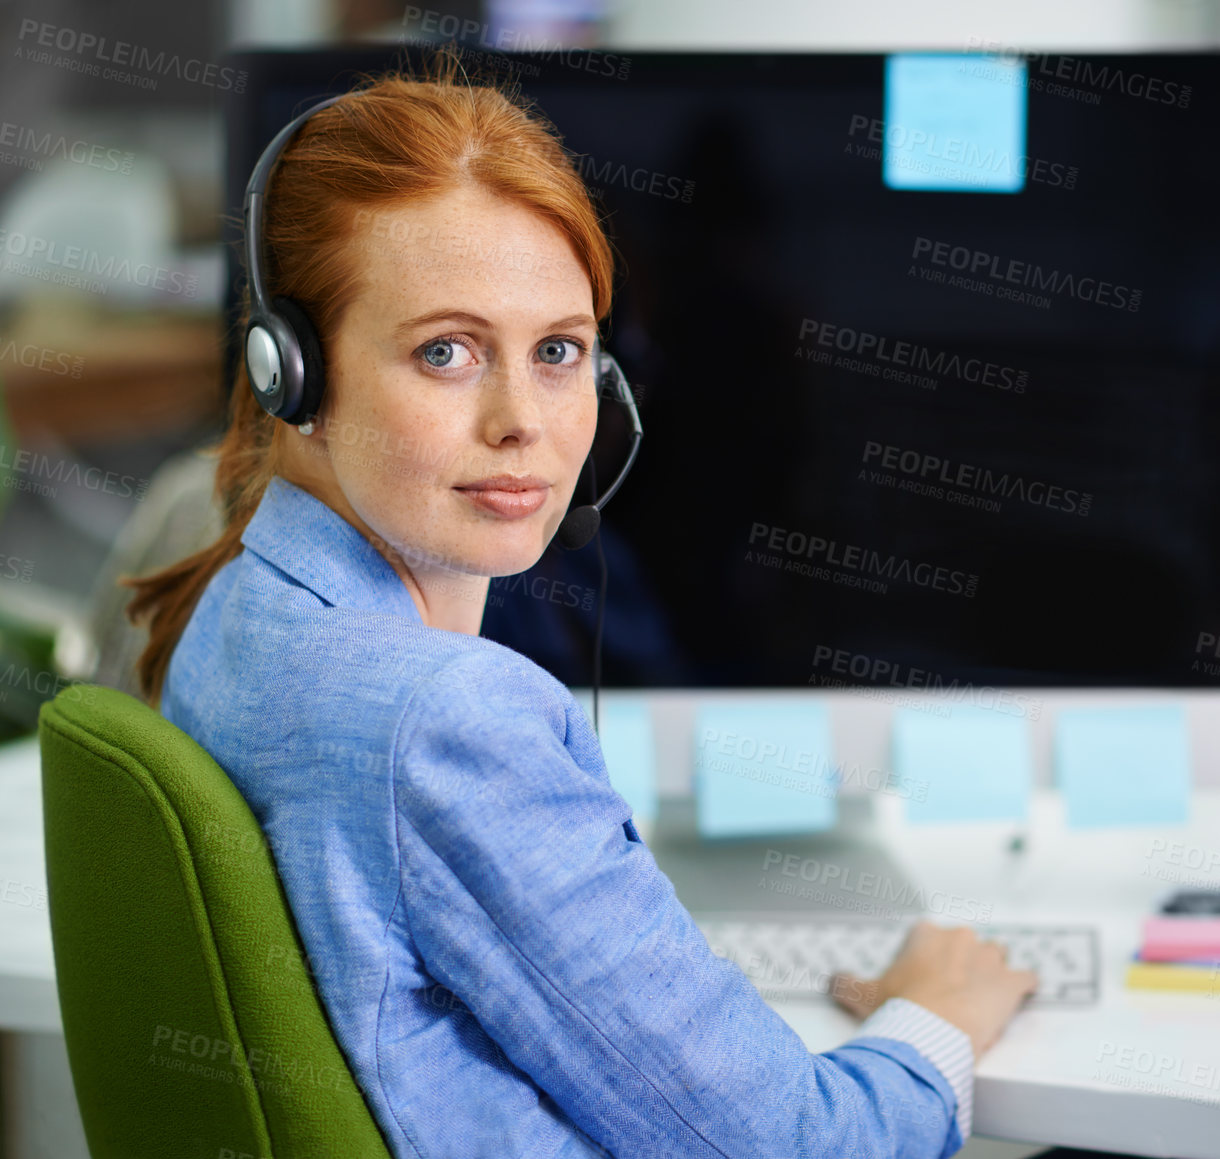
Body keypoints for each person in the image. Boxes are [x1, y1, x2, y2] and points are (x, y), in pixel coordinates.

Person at [122, 56, 1049, 1158]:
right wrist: (935, 1015)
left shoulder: (233, 609)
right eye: (446, 351)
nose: (524, 420)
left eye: (559, 350)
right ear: (295, 374)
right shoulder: (450, 719)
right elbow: (802, 1146)